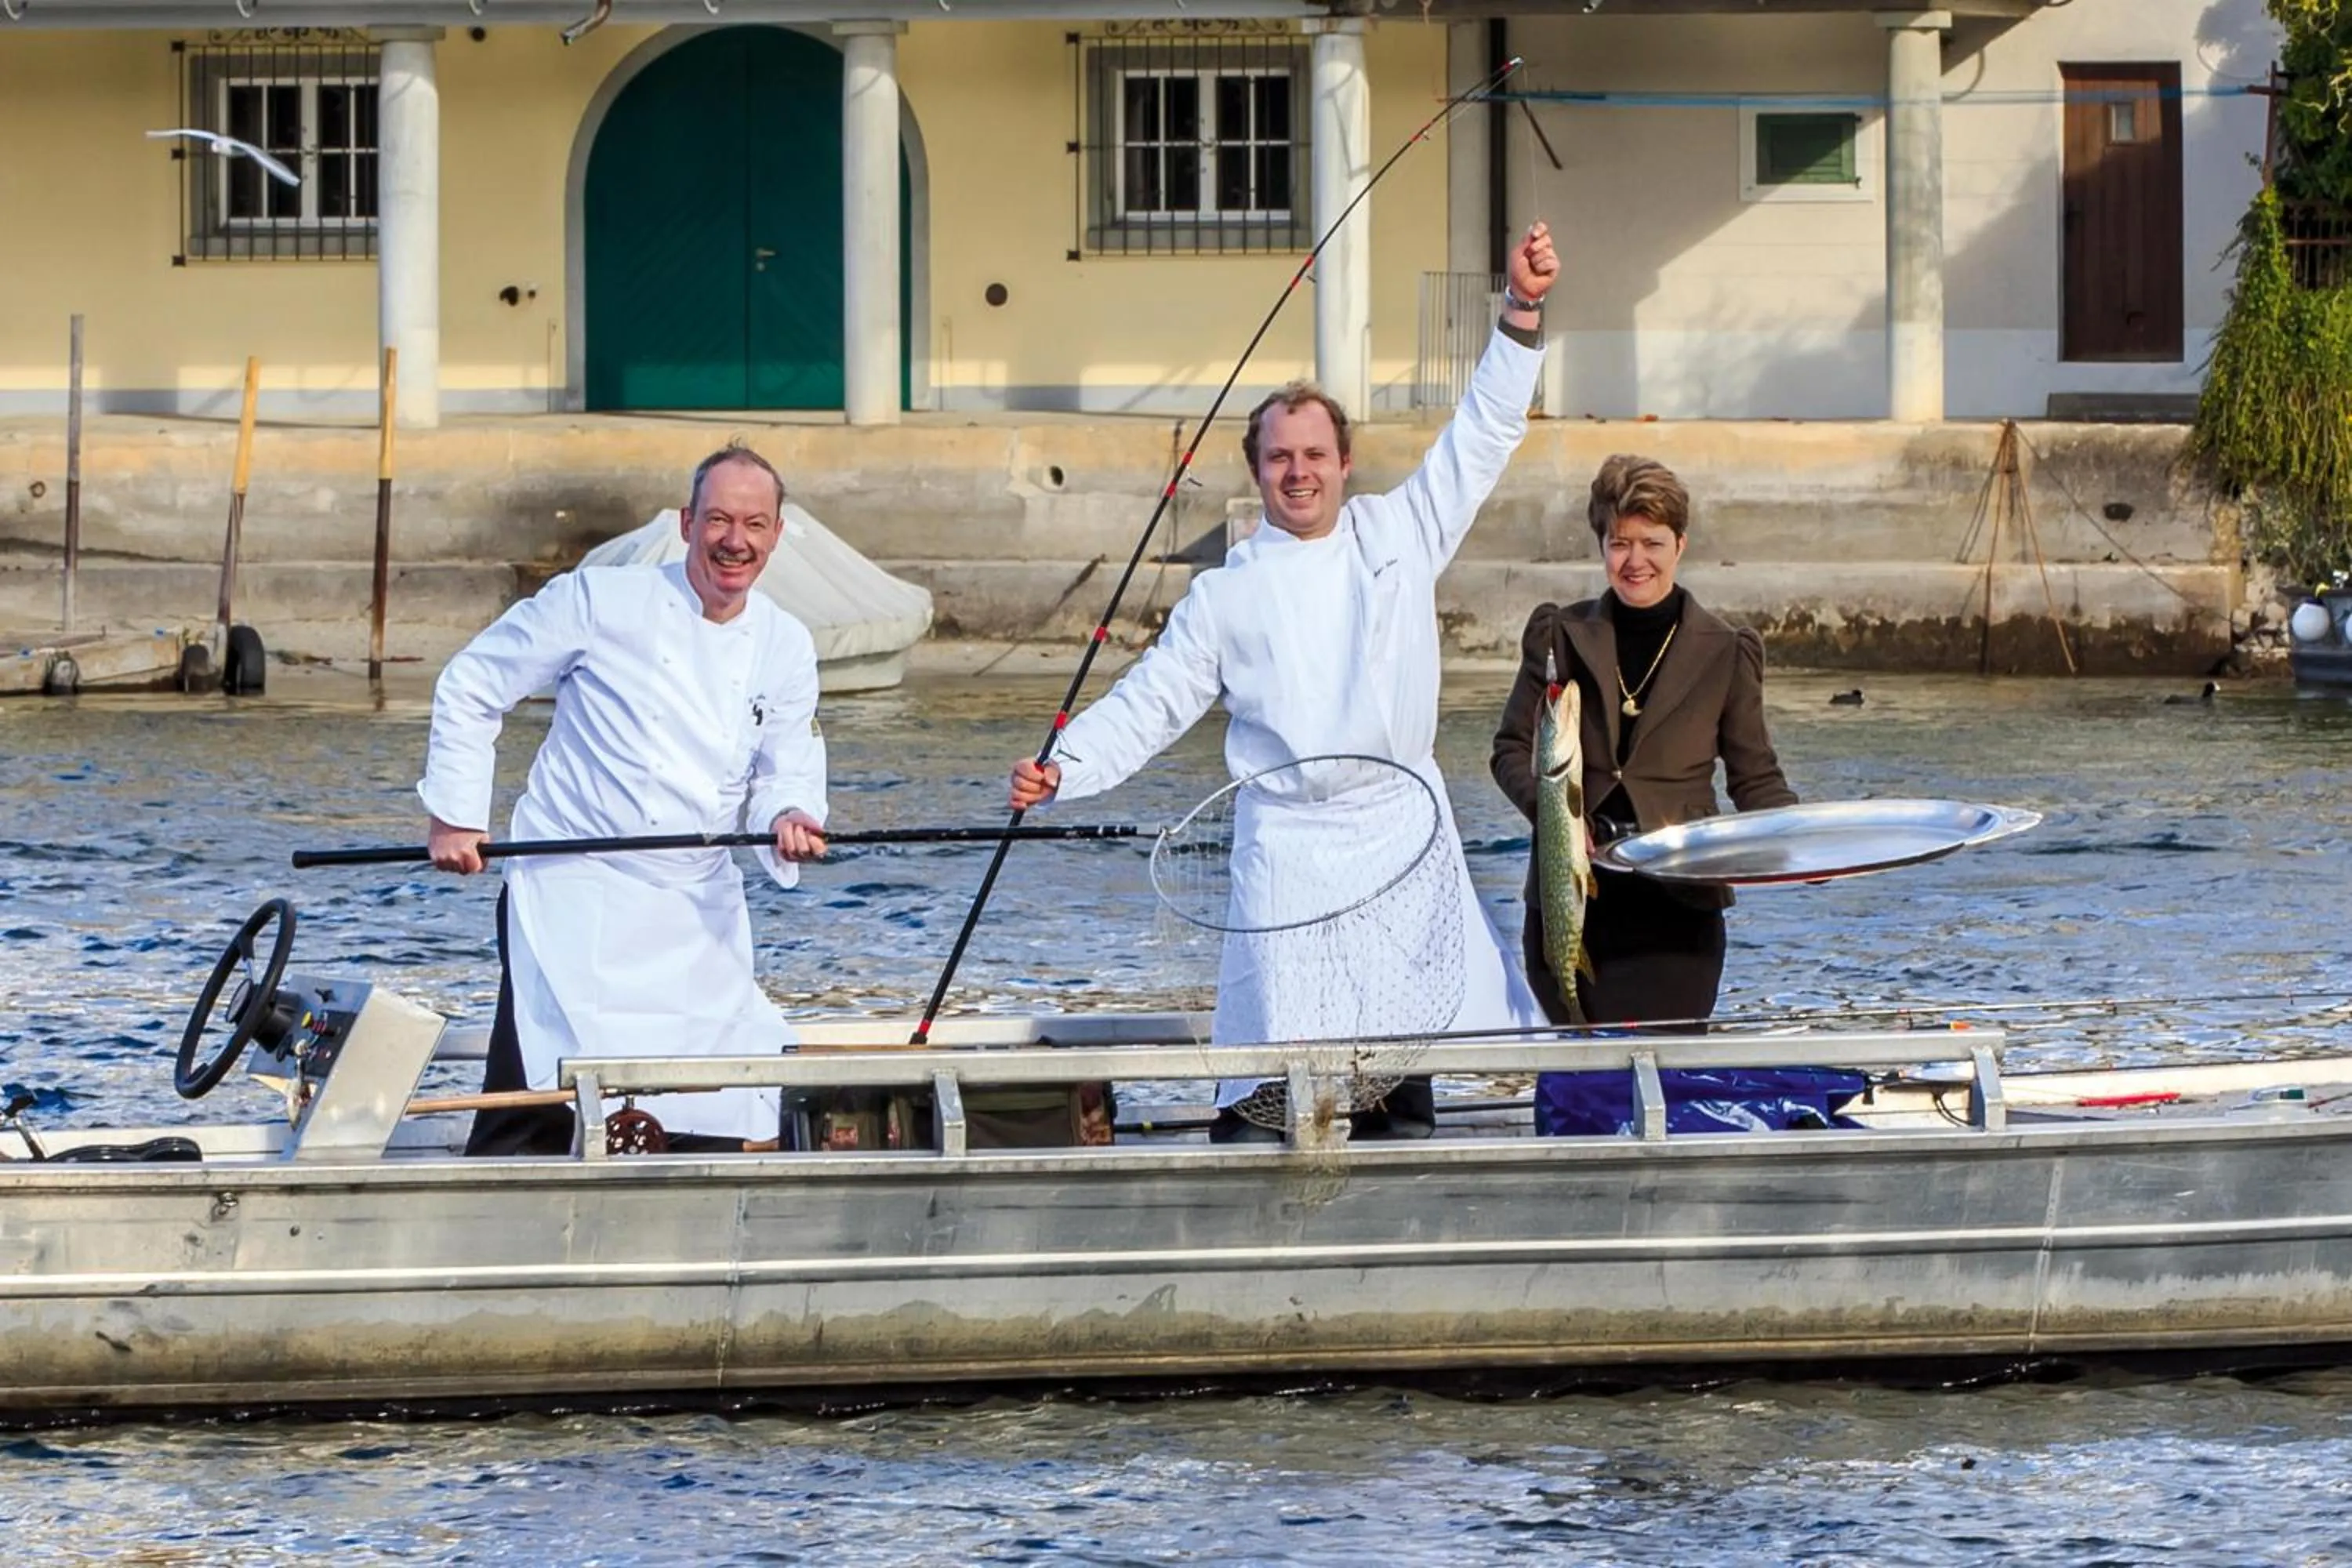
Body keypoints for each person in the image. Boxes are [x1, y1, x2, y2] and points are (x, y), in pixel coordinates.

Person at [1009, 222, 1561, 1144]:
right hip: (1289, 852)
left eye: (1314, 455)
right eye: (1279, 457)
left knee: (1396, 1065)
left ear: (1345, 462)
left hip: (1398, 836)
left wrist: (1523, 311)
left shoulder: (1401, 531)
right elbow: (1151, 701)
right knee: (1270, 1074)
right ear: (1257, 469)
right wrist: (1063, 766)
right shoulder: (1225, 593)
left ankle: (1399, 1203)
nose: (1298, 473)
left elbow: (1484, 433)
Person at [419, 444, 829, 1156]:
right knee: (547, 1085)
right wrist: (456, 817)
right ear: (685, 523)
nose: (736, 541)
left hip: (694, 906)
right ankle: (493, 1205)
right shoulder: (597, 600)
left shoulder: (787, 645)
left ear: (777, 534)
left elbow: (783, 773)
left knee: (734, 1085)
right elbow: (473, 682)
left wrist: (789, 818)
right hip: (576, 890)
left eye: (755, 525)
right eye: (720, 520)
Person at [1490, 456, 1839, 1135]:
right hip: (1570, 903)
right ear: (1601, 546)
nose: (1635, 560)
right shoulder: (1559, 634)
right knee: (1584, 1085)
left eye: (1652, 543)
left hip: (1676, 910)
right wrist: (1558, 818)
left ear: (1681, 545)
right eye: (1620, 543)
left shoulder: (1726, 648)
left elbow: (1754, 777)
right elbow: (1510, 749)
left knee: (1662, 1090)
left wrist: (1800, 847)